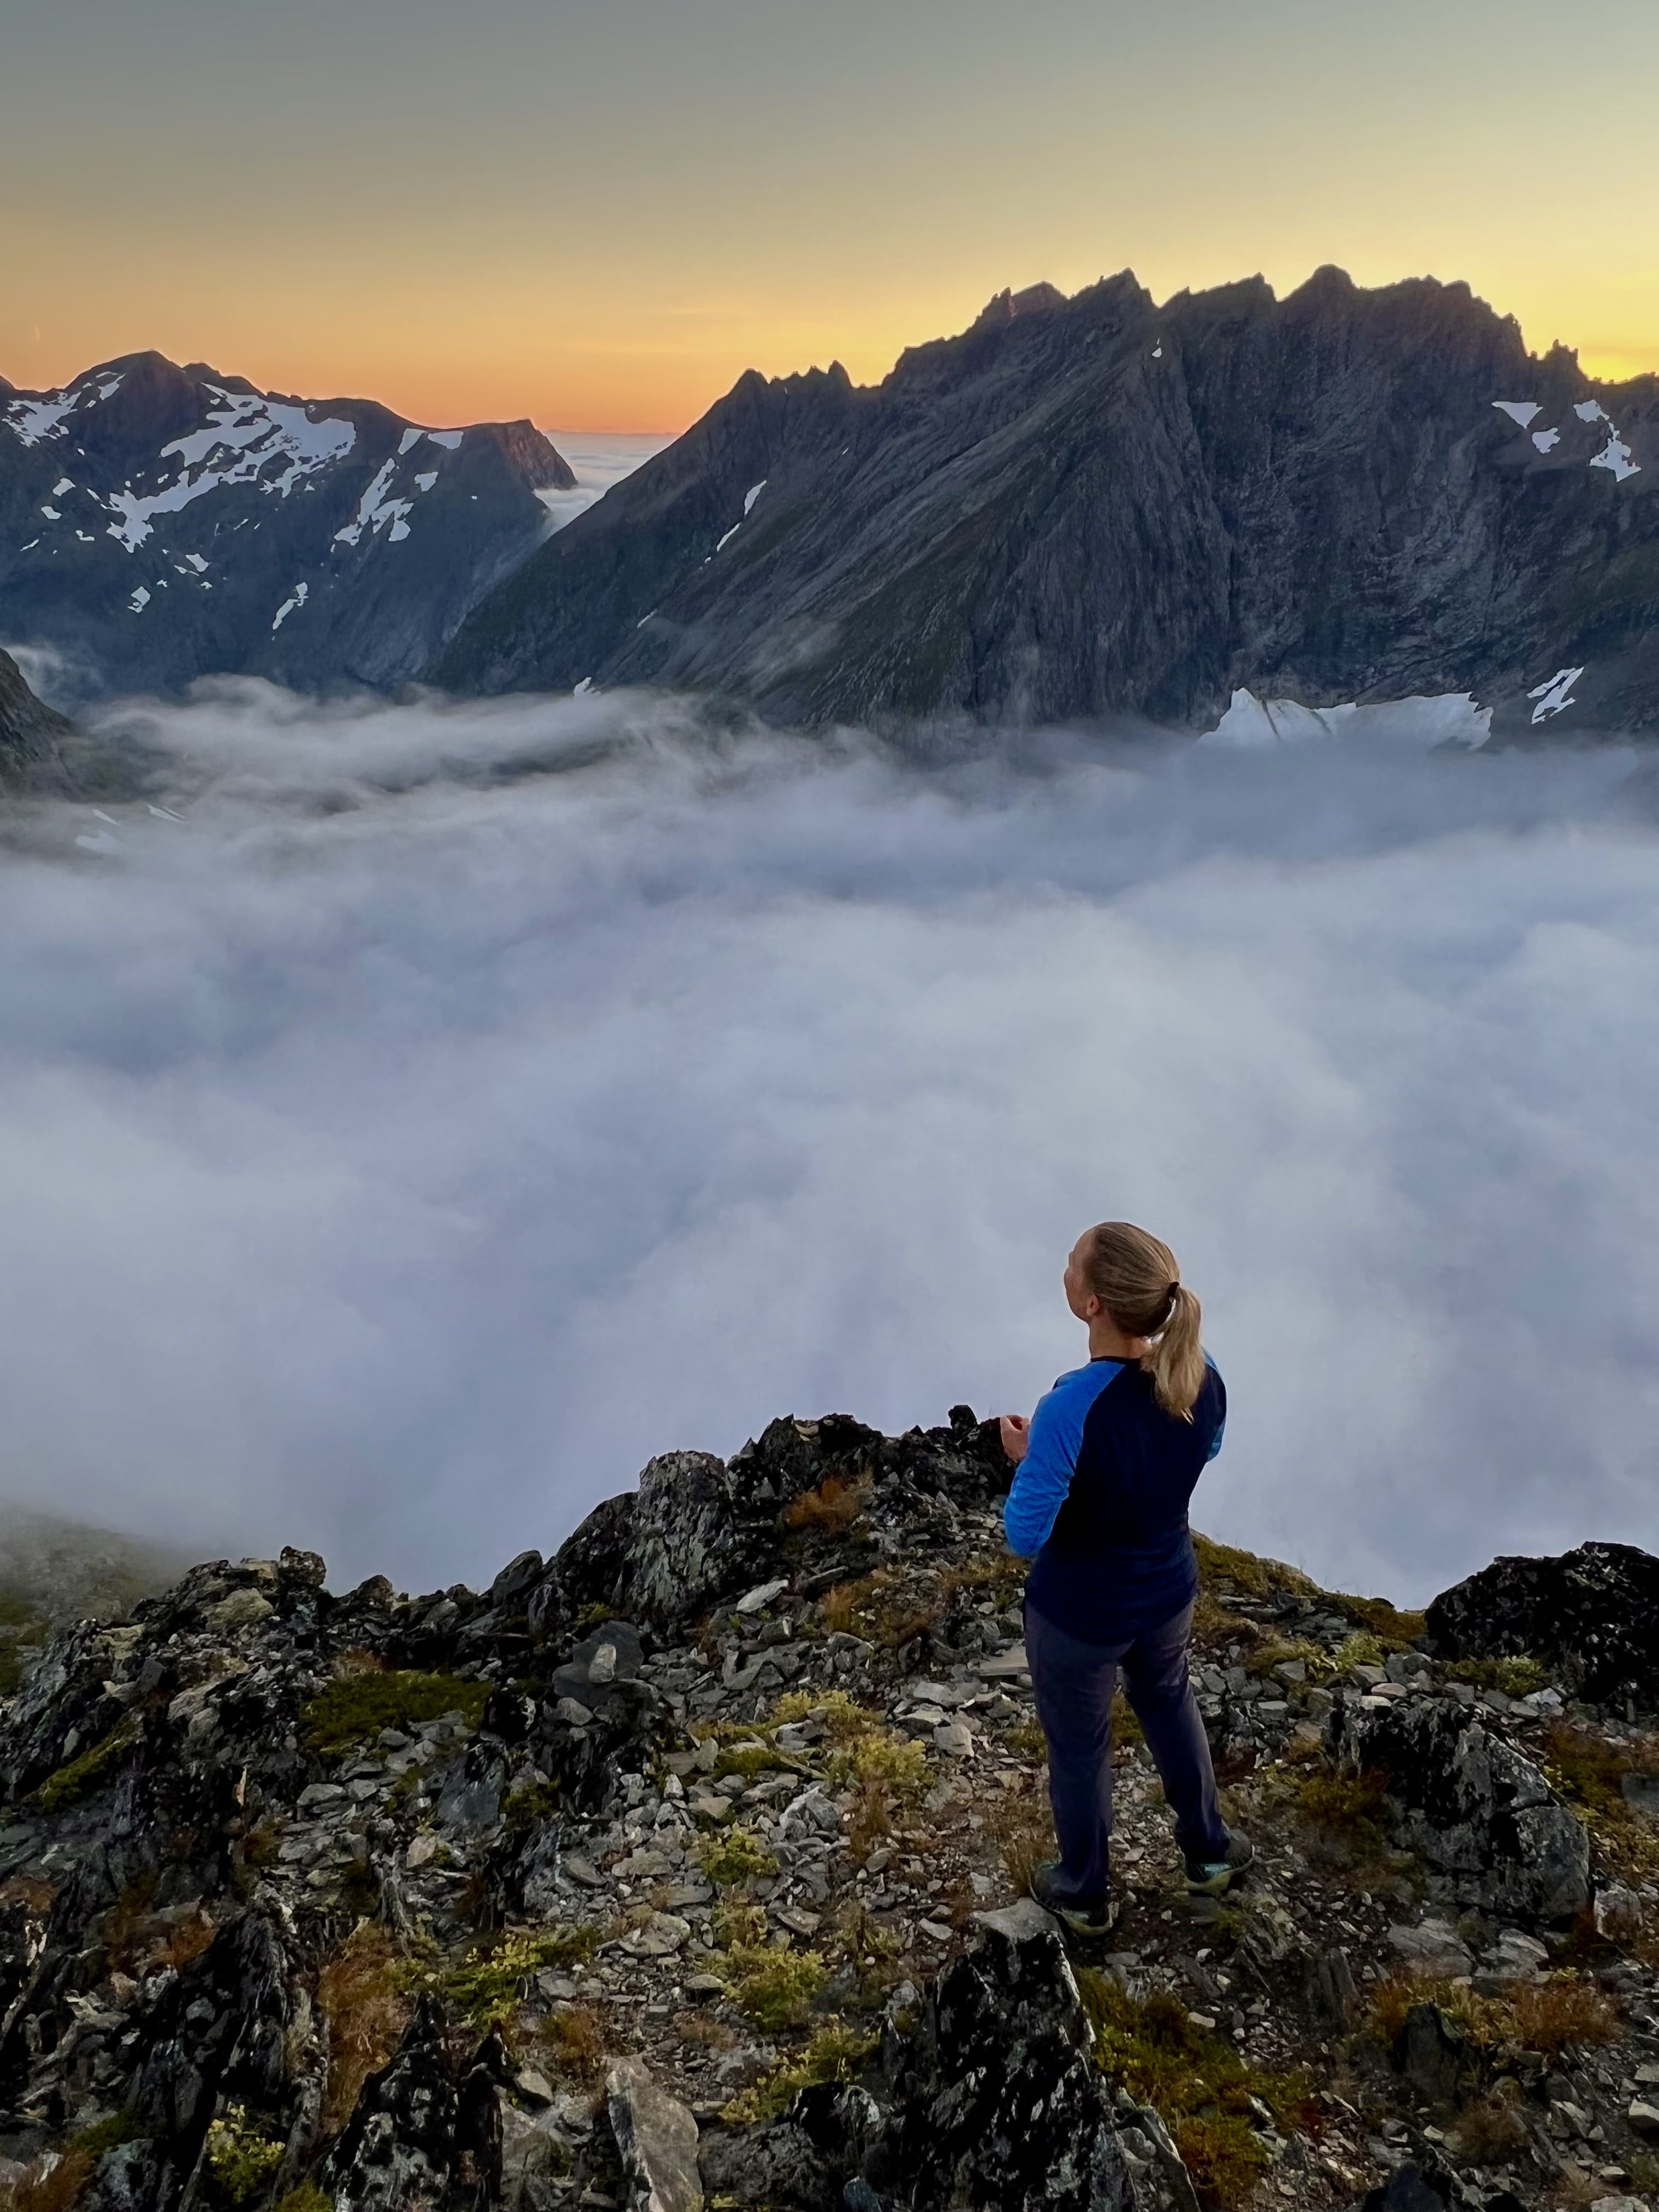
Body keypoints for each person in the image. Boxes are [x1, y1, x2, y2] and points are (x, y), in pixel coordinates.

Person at [1000, 1219, 1251, 1936]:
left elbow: (1025, 1534)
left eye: (1073, 1262)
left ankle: (1082, 1892)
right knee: (1170, 1703)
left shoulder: (1069, 1407)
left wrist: (1030, 1457)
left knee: (1081, 1749)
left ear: (1093, 1306)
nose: (1065, 1267)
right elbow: (1199, 1448)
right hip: (1168, 1591)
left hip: (1079, 1614)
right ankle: (1209, 1853)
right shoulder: (1205, 1380)